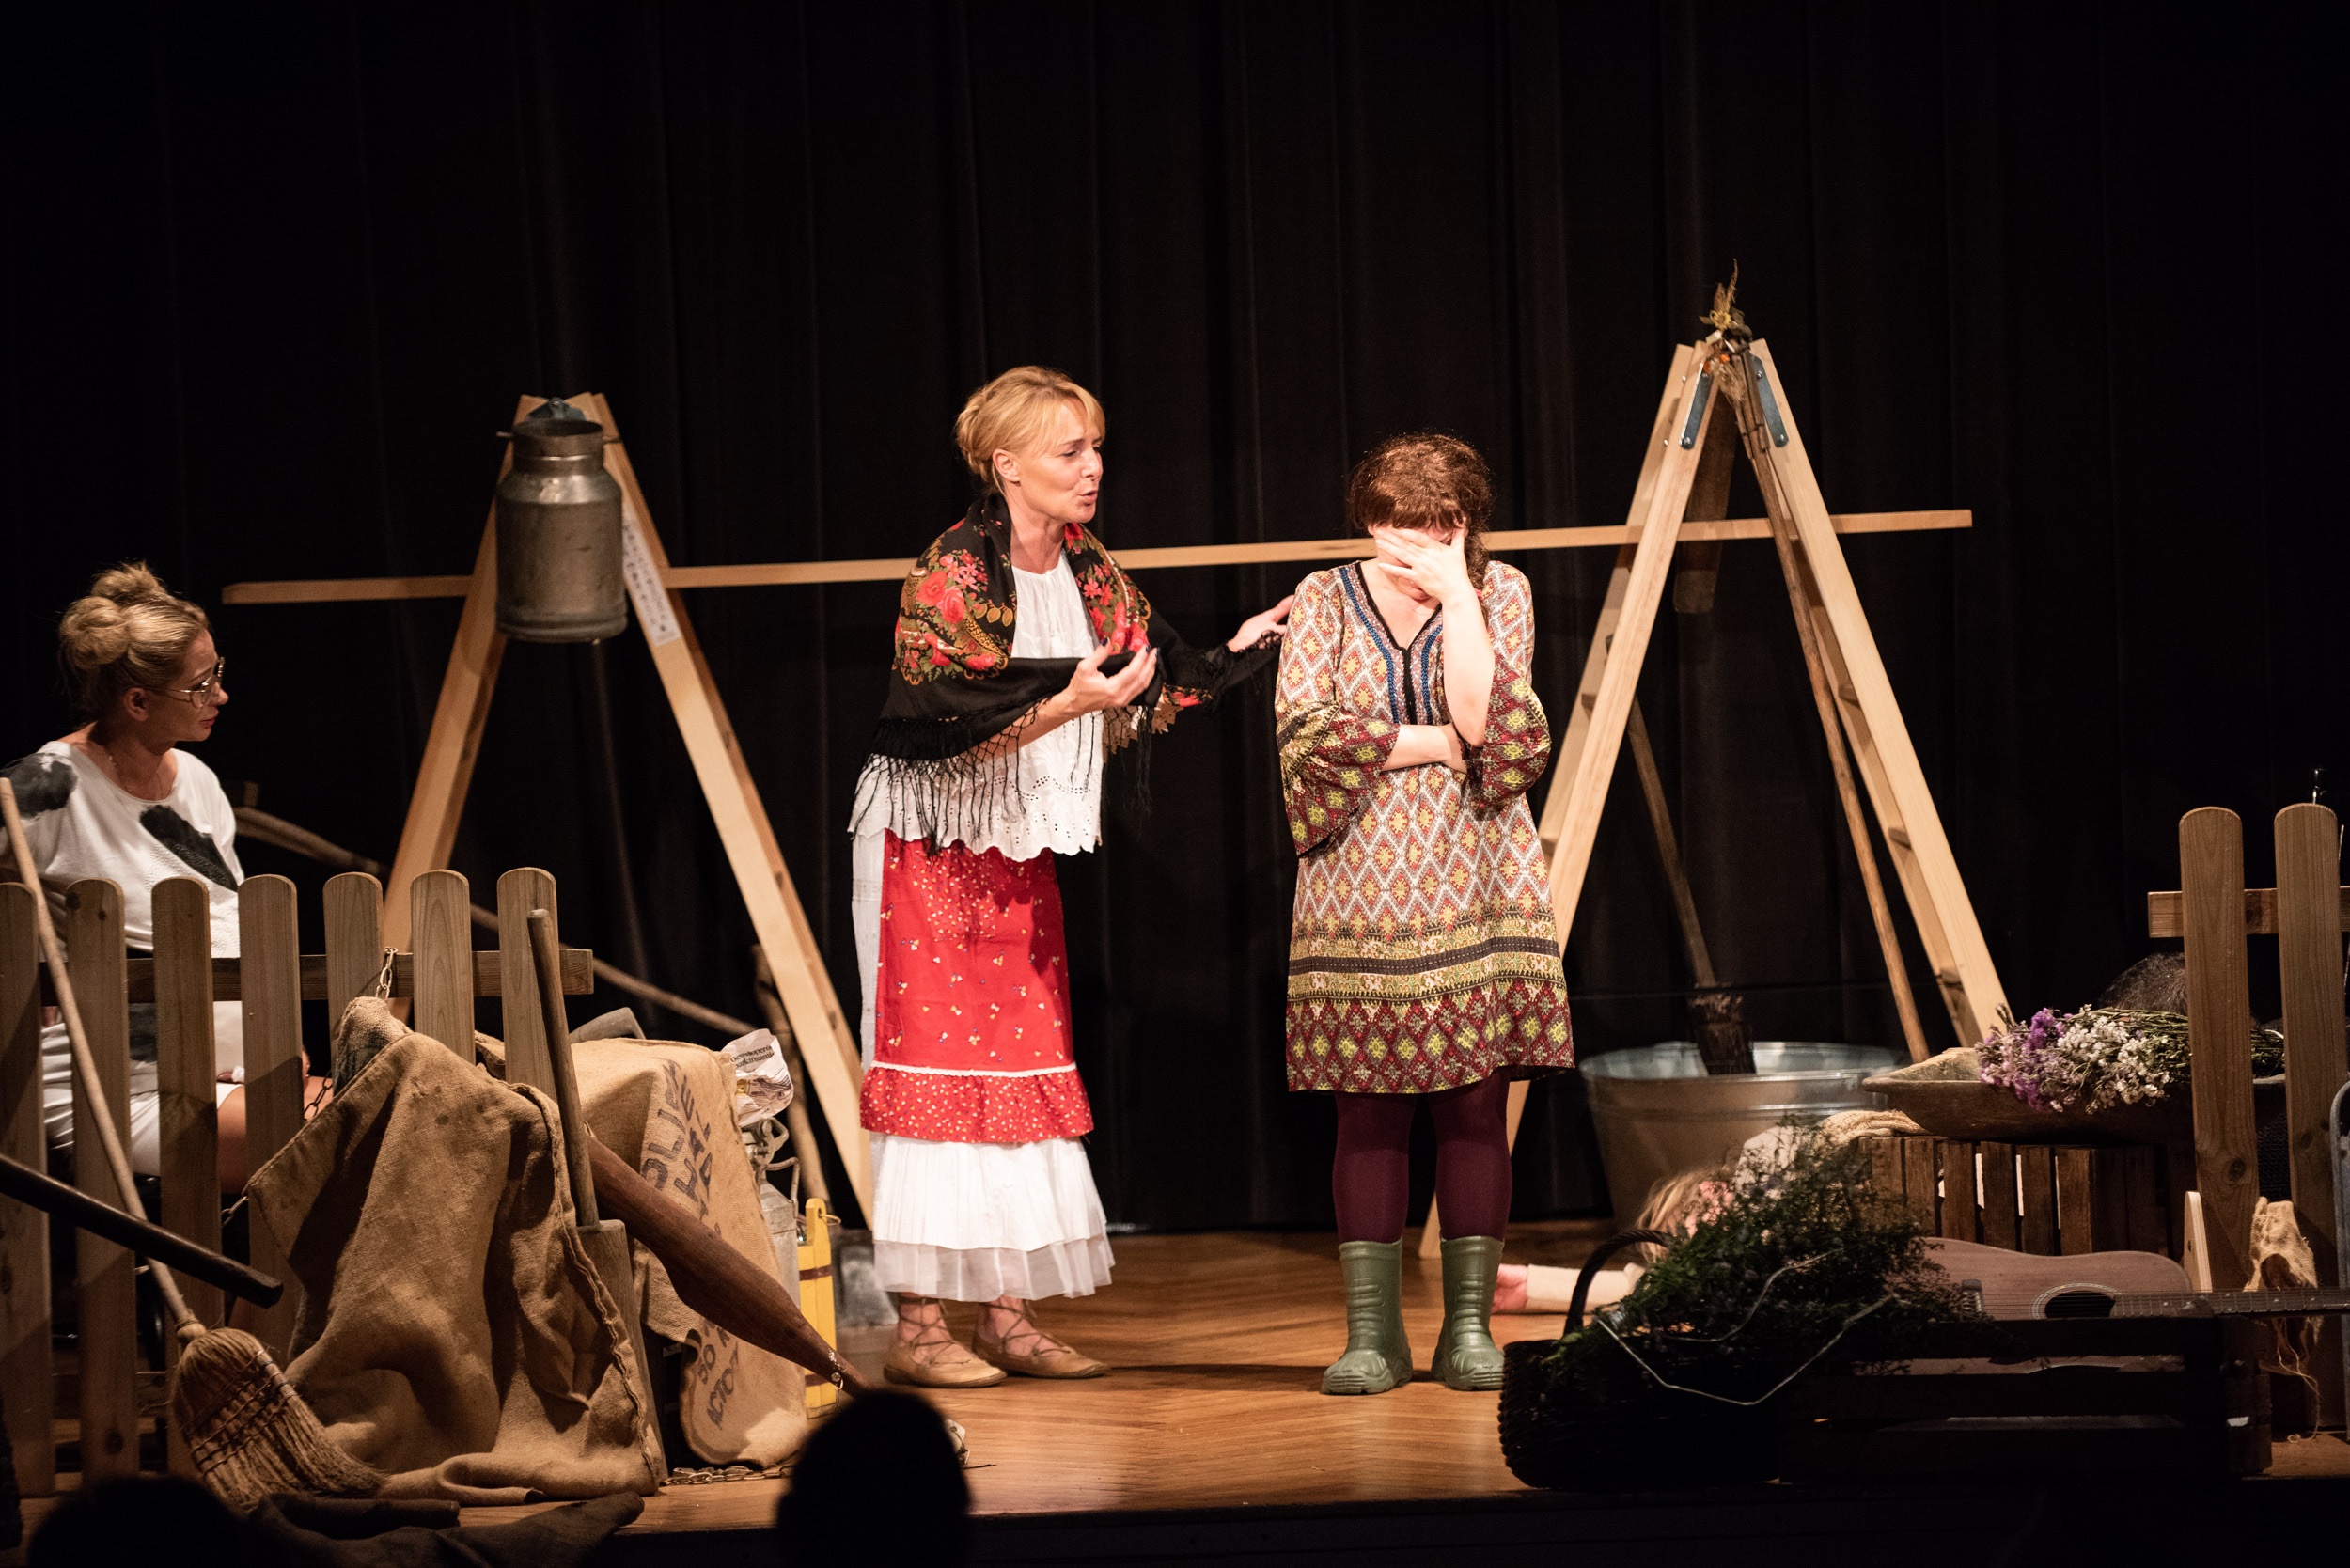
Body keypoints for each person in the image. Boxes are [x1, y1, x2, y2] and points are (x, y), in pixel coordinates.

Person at [849, 366, 1292, 1388]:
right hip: (928, 843)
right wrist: (1068, 706)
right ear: (1006, 464)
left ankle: (1006, 1318)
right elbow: (942, 725)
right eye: (1069, 451)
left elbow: (1149, 676)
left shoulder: (1089, 567)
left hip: (1014, 845)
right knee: (936, 1069)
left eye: (1095, 448)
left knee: (1020, 1065)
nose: (1092, 468)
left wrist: (1234, 650)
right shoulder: (953, 572)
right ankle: (920, 1329)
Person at [1276, 433, 1574, 1394]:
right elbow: (1310, 738)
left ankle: (1468, 1331)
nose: (1412, 546)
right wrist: (1436, 743)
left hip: (1477, 874)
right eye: (1394, 528)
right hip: (1357, 884)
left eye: (1436, 530)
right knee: (1366, 1108)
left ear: (1466, 525)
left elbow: (1497, 730)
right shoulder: (1324, 597)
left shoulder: (1502, 592)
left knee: (1474, 1101)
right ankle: (1373, 1337)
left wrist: (1460, 602)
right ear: (1368, 523)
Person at [5, 564, 321, 1192]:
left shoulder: (197, 781)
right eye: (201, 686)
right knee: (355, 1136)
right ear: (138, 702)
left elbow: (230, 923)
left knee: (405, 1112)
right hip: (121, 1090)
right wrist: (22, 970)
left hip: (228, 1074)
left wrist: (270, 1040)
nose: (221, 697)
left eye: (217, 673)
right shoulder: (48, 782)